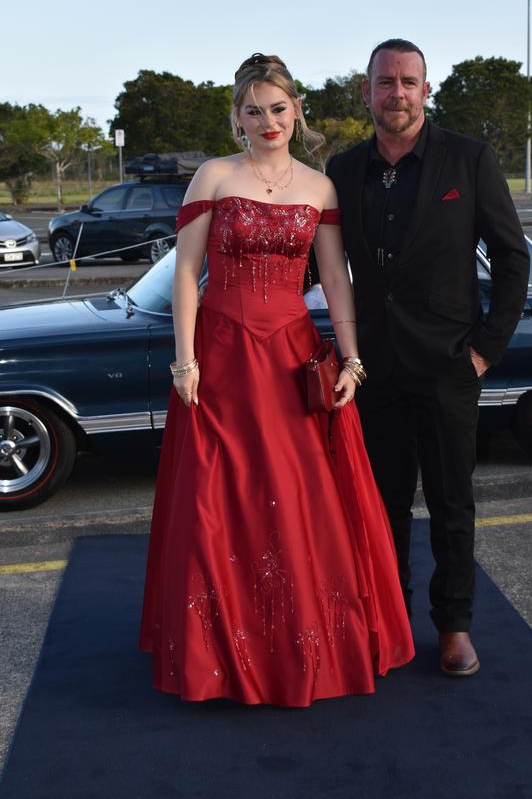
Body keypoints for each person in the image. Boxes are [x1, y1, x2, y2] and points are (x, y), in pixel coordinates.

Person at [139, 53, 414, 706]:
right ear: (237, 118)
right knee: (220, 500)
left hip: (292, 358)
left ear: (297, 112)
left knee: (298, 502)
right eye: (254, 110)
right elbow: (185, 274)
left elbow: (336, 279)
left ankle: (298, 645)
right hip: (222, 356)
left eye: (278, 108)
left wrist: (350, 359)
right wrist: (185, 358)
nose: (268, 121)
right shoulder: (212, 176)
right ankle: (219, 654)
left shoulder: (319, 188)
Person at [326, 39, 530, 676]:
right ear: (367, 93)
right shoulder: (341, 169)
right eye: (385, 83)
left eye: (408, 82)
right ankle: (390, 623)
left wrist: (484, 350)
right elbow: (316, 264)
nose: (397, 94)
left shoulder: (468, 160)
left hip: (448, 366)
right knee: (381, 507)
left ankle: (455, 627)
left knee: (450, 504)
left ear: (425, 88)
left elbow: (511, 257)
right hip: (374, 369)